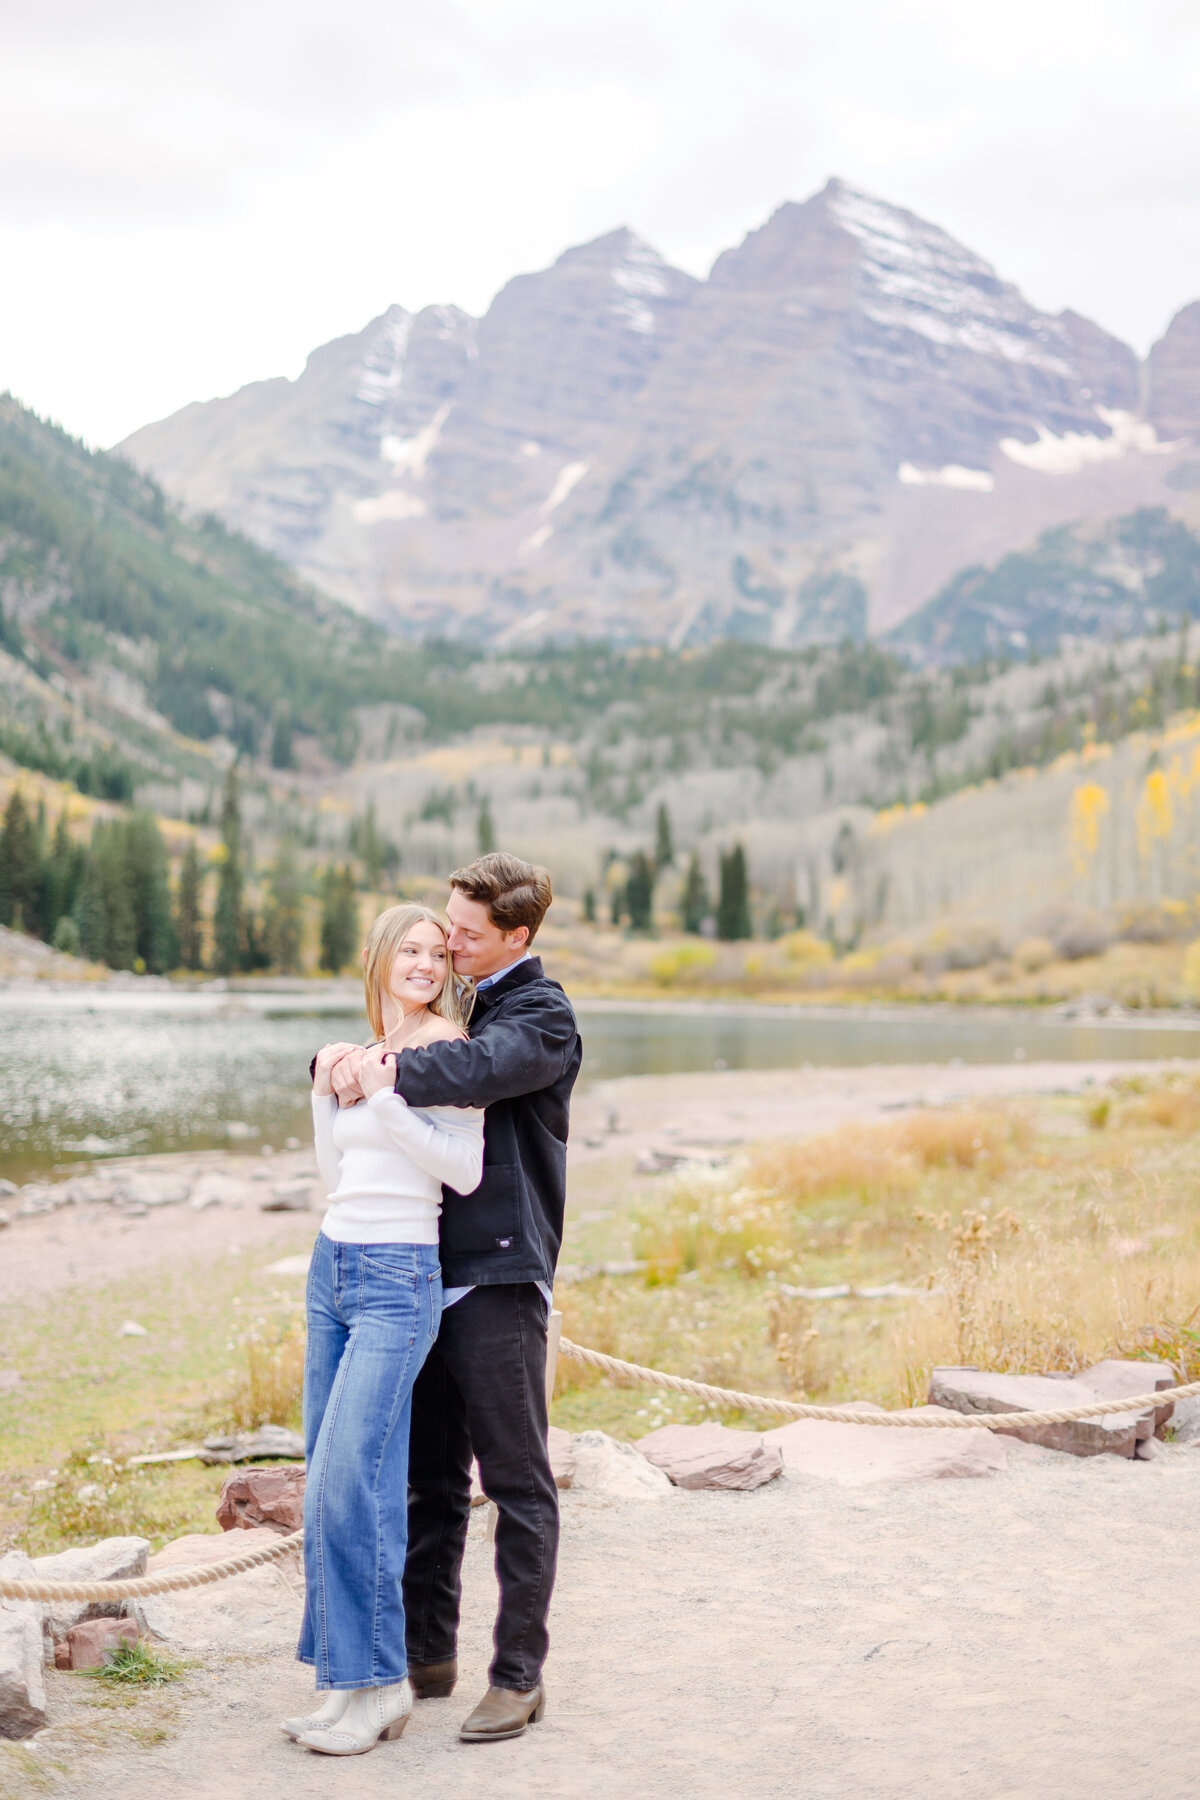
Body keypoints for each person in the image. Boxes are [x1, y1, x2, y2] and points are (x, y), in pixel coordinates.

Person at [326, 851, 581, 1745]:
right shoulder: (463, 1000)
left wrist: (379, 1070)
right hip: (421, 1273)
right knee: (428, 1478)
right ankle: (428, 1653)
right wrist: (339, 1059)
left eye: (468, 935)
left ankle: (518, 1677)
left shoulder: (541, 1017)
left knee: (516, 1480)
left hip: (500, 1278)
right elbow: (407, 1034)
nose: (451, 944)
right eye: (447, 926)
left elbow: (473, 1072)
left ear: (517, 936)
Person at [284, 904, 484, 1759]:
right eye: (410, 950)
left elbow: (464, 1171)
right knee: (336, 1476)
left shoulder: (447, 1051)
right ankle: (352, 1683)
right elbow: (337, 1172)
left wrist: (386, 1094)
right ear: (379, 959)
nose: (426, 964)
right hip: (333, 1265)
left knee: (343, 1480)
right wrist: (330, 1091)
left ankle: (385, 1681)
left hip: (401, 1279)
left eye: (438, 954)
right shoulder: (369, 1048)